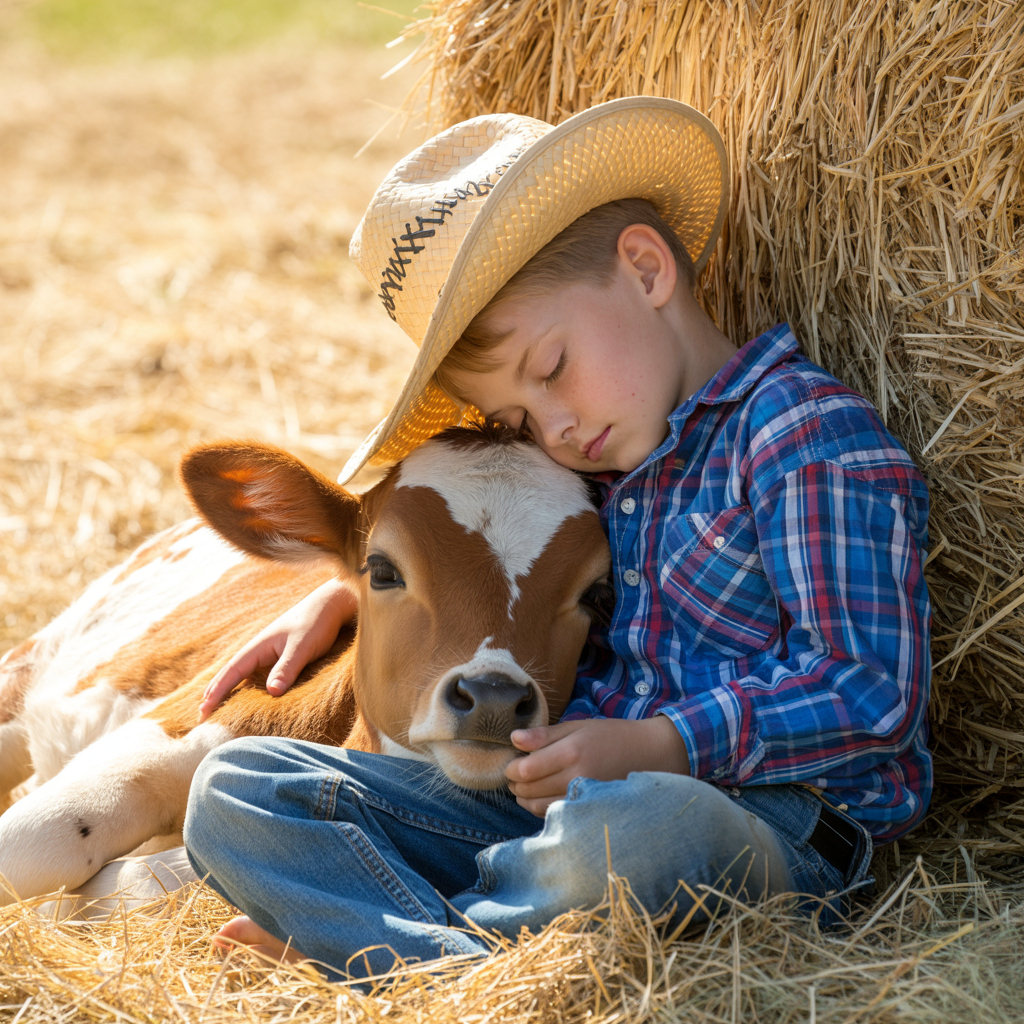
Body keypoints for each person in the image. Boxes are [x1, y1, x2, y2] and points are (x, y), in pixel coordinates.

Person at [183, 97, 932, 979]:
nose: (555, 427)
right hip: (554, 804)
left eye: (552, 369)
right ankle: (444, 947)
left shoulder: (802, 441)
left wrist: (665, 746)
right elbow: (484, 559)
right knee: (236, 791)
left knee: (636, 830)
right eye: (516, 413)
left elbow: (873, 691)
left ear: (647, 271)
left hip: (761, 825)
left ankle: (380, 941)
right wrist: (351, 584)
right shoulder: (601, 467)